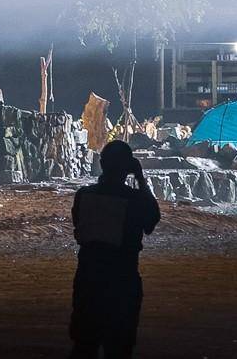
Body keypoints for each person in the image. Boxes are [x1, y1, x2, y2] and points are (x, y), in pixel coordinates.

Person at [68, 137, 161, 358]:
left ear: (102, 163)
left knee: (84, 344)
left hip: (88, 278)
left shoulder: (84, 196)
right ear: (128, 167)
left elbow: (78, 225)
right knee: (119, 346)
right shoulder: (134, 199)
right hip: (122, 279)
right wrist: (140, 178)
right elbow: (151, 221)